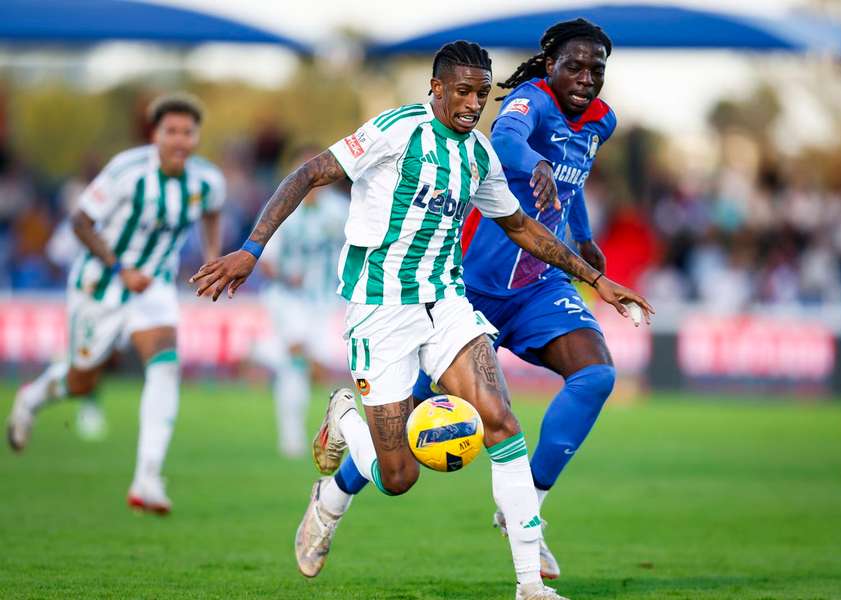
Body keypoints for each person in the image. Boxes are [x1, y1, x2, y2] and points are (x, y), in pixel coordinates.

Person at [190, 41, 650, 600]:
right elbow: (309, 174)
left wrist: (595, 279)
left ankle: (530, 585)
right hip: (380, 310)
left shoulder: (478, 154)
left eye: (482, 93)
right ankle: (345, 422)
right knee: (399, 476)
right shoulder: (395, 130)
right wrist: (251, 250)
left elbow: (523, 228)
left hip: (447, 303)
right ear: (435, 89)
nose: (473, 103)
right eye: (462, 91)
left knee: (501, 423)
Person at [334, 18, 630, 581]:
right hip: (470, 287)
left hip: (540, 284)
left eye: (597, 69)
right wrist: (534, 165)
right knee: (404, 431)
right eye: (576, 65)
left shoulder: (601, 121)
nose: (588, 78)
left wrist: (584, 234)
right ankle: (334, 496)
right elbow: (511, 141)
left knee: (594, 377)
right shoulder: (528, 101)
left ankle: (526, 516)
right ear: (550, 65)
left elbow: (574, 180)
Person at [6, 93, 225, 515]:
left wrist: (212, 252)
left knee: (165, 366)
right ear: (155, 134)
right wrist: (120, 267)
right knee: (82, 381)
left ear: (197, 136)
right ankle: (31, 399)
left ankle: (148, 476)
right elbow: (80, 221)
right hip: (100, 285)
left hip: (154, 288)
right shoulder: (127, 170)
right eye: (171, 131)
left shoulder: (207, 180)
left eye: (188, 132)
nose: (180, 140)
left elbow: (211, 211)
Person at [253, 146, 348, 458]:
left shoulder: (341, 210)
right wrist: (284, 273)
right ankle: (291, 438)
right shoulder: (281, 207)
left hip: (326, 302)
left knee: (317, 368)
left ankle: (263, 353)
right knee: (297, 359)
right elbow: (264, 258)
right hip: (288, 299)